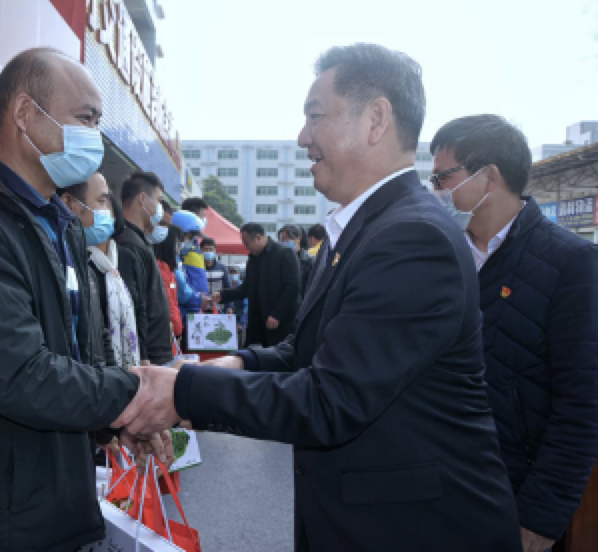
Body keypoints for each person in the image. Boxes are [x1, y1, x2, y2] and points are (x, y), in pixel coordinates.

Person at [114, 43, 522, 551]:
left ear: (375, 119)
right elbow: (311, 350)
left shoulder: (413, 237)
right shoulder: (360, 228)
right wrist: (233, 363)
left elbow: (332, 399)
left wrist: (183, 392)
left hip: (416, 530)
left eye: (314, 116)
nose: (302, 137)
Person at [0, 48, 169, 551]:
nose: (95, 135)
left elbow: (72, 356)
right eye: (85, 118)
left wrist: (113, 423)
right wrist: (141, 392)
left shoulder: (61, 226)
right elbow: (22, 376)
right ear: (25, 114)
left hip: (52, 500)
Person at [429, 114, 598, 552]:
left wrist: (539, 519)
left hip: (516, 496)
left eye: (443, 178)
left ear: (489, 177)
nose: (435, 191)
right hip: (440, 489)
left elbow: (583, 403)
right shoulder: (438, 259)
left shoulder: (571, 262)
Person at [60, 173, 142, 371]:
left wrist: (117, 378)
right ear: (69, 203)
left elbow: (100, 333)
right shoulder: (62, 262)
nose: (107, 213)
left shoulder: (85, 267)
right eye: (101, 201)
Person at [116, 171, 174, 366]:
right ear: (142, 199)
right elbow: (133, 306)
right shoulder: (129, 244)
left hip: (155, 354)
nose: (159, 208)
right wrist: (142, 356)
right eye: (158, 200)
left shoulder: (138, 241)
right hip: (148, 359)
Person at [211, 223, 300, 347]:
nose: (246, 247)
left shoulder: (284, 254)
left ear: (258, 237)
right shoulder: (253, 259)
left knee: (276, 355)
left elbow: (292, 288)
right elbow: (247, 288)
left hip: (279, 322)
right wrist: (223, 295)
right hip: (257, 321)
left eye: (247, 243)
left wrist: (277, 314)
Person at [154, 224, 184, 355]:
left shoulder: (168, 269)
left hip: (172, 331)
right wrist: (177, 329)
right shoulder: (161, 268)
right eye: (177, 243)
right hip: (167, 331)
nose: (179, 247)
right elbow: (168, 302)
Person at [278, 224, 314, 296]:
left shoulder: (309, 260)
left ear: (298, 238)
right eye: (282, 240)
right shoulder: (279, 260)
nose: (284, 243)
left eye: (287, 239)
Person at [200, 237, 230, 308]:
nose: (208, 252)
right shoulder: (198, 268)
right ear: (201, 250)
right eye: (206, 249)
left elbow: (227, 288)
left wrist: (229, 306)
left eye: (211, 249)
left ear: (215, 250)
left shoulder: (222, 268)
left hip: (219, 308)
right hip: (202, 308)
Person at [227, 265, 248, 345]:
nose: (233, 275)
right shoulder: (227, 287)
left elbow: (245, 307)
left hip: (239, 321)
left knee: (240, 344)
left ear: (239, 274)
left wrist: (241, 323)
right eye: (231, 273)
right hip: (228, 319)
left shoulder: (242, 287)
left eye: (235, 273)